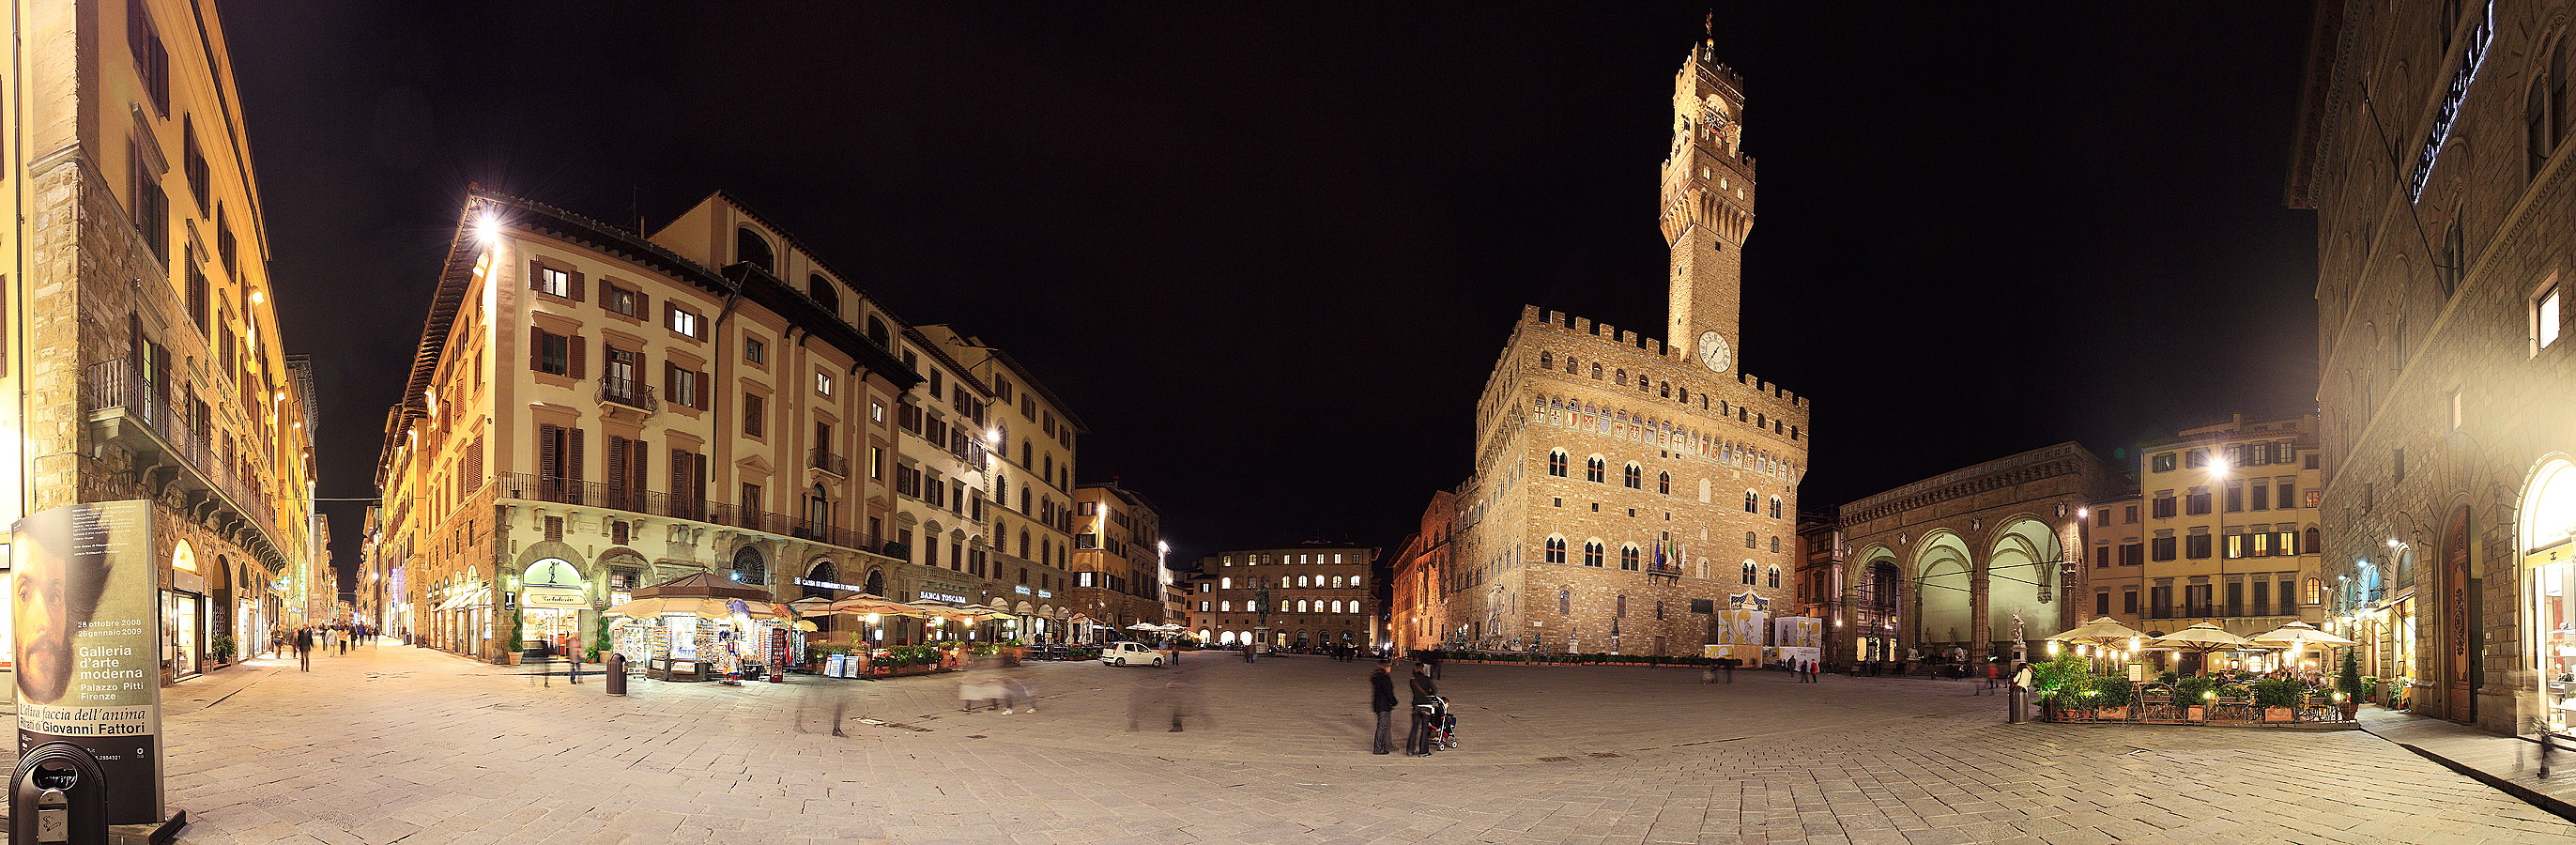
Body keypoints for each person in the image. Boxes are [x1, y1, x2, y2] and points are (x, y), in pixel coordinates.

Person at [1406, 664, 1441, 756]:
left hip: (1416, 706)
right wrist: (1429, 694)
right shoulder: (1427, 679)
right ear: (1422, 669)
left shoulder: (1412, 681)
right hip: (1426, 707)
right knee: (1425, 729)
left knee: (1414, 728)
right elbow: (1435, 690)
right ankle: (1423, 751)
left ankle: (1410, 750)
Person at [1370, 661, 1398, 755]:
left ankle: (1385, 746)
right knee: (1382, 727)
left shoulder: (1377, 677)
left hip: (1378, 704)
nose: (1390, 668)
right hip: (1384, 705)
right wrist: (1394, 702)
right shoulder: (1384, 679)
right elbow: (1388, 693)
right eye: (1389, 666)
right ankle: (1378, 749)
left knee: (1383, 727)